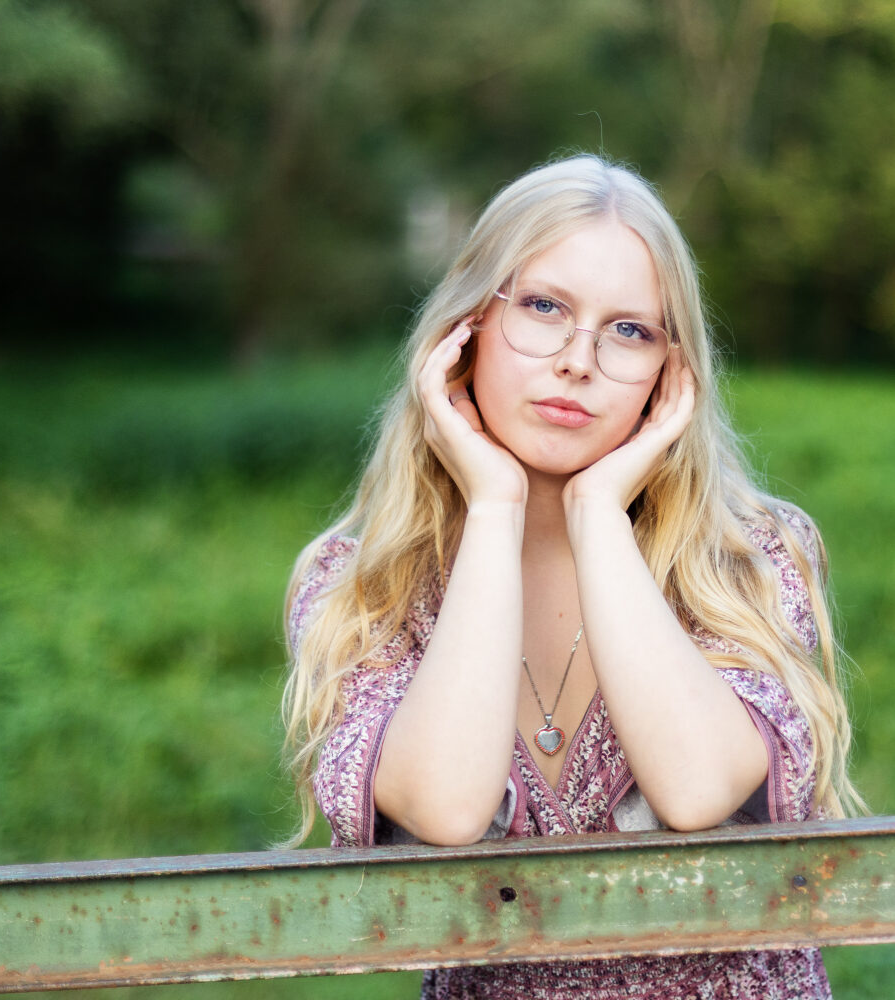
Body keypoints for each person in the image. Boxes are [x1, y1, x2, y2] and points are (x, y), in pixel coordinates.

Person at [281, 154, 862, 998]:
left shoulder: (750, 560)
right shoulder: (361, 585)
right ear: (466, 326)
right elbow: (445, 811)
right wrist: (491, 506)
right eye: (544, 308)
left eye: (629, 330)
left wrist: (596, 514)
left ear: (672, 371)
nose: (577, 360)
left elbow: (699, 787)